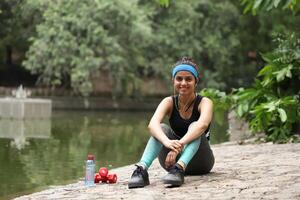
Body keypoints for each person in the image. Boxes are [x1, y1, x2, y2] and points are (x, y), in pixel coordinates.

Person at [128, 57, 215, 188]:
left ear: (196, 82)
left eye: (188, 79)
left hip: (201, 162)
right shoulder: (168, 102)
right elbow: (152, 125)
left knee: (195, 126)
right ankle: (141, 170)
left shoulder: (205, 102)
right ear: (173, 81)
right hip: (170, 162)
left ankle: (180, 168)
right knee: (161, 128)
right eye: (179, 78)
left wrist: (179, 144)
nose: (183, 83)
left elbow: (202, 125)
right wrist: (167, 142)